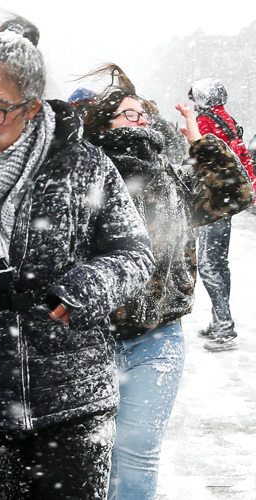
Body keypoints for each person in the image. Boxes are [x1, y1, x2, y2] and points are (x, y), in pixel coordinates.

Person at [0, 18, 155, 500]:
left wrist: (86, 287)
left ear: (32, 106)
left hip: (75, 396)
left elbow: (134, 254)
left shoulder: (82, 163)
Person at [82, 65, 253, 500]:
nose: (140, 122)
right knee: (91, 453)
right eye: (127, 114)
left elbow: (235, 194)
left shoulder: (170, 179)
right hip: (87, 338)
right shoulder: (82, 178)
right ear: (102, 124)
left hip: (157, 336)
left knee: (137, 448)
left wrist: (201, 142)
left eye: (144, 115)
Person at [188, 78, 256, 351]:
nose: (194, 104)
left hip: (213, 200)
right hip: (226, 197)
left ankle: (225, 326)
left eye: (196, 98)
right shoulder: (225, 118)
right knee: (217, 262)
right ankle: (219, 320)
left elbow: (201, 160)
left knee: (208, 264)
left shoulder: (206, 122)